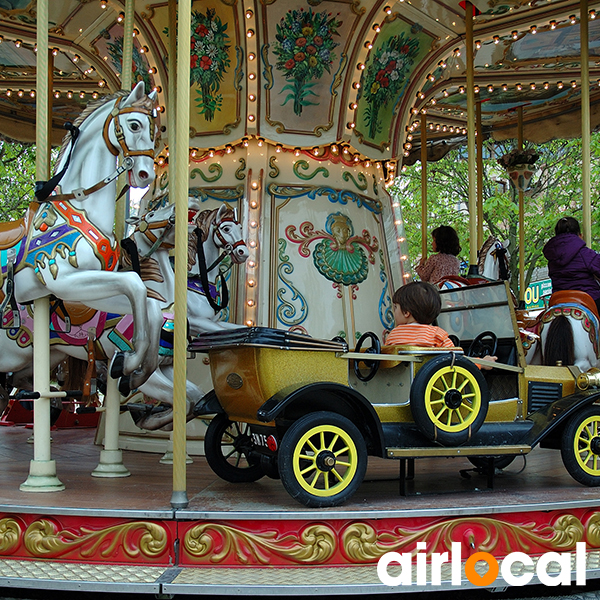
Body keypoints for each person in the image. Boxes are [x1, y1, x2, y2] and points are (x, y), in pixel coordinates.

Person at [543, 216, 600, 314]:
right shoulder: (586, 254)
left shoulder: (553, 258)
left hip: (558, 300)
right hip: (587, 298)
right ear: (580, 235)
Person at [385, 281, 456, 347]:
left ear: (406, 312)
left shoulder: (395, 334)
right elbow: (454, 356)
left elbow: (386, 357)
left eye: (396, 307)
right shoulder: (438, 334)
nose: (394, 311)